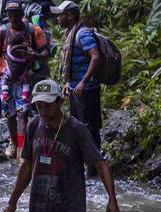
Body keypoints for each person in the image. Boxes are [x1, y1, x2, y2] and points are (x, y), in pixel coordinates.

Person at [3, 80, 120, 212]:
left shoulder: (76, 129)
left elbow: (101, 164)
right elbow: (27, 166)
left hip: (70, 208)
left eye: (47, 105)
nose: (43, 111)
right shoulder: (34, 126)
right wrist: (12, 202)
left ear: (60, 102)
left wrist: (112, 200)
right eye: (39, 106)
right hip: (41, 206)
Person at [0, 2, 51, 160]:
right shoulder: (1, 31)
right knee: (9, 113)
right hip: (5, 78)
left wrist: (34, 55)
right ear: (7, 15)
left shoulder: (33, 30)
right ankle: (13, 143)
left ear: (22, 13)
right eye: (10, 15)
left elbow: (45, 52)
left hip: (25, 77)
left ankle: (22, 148)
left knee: (23, 113)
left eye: (17, 14)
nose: (14, 18)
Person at [52, 1, 103, 148]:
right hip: (76, 89)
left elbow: (95, 57)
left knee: (89, 127)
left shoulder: (82, 34)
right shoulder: (70, 34)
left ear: (70, 16)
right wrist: (68, 82)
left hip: (87, 90)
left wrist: (83, 81)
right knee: (79, 125)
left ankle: (93, 166)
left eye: (60, 15)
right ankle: (84, 162)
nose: (57, 18)